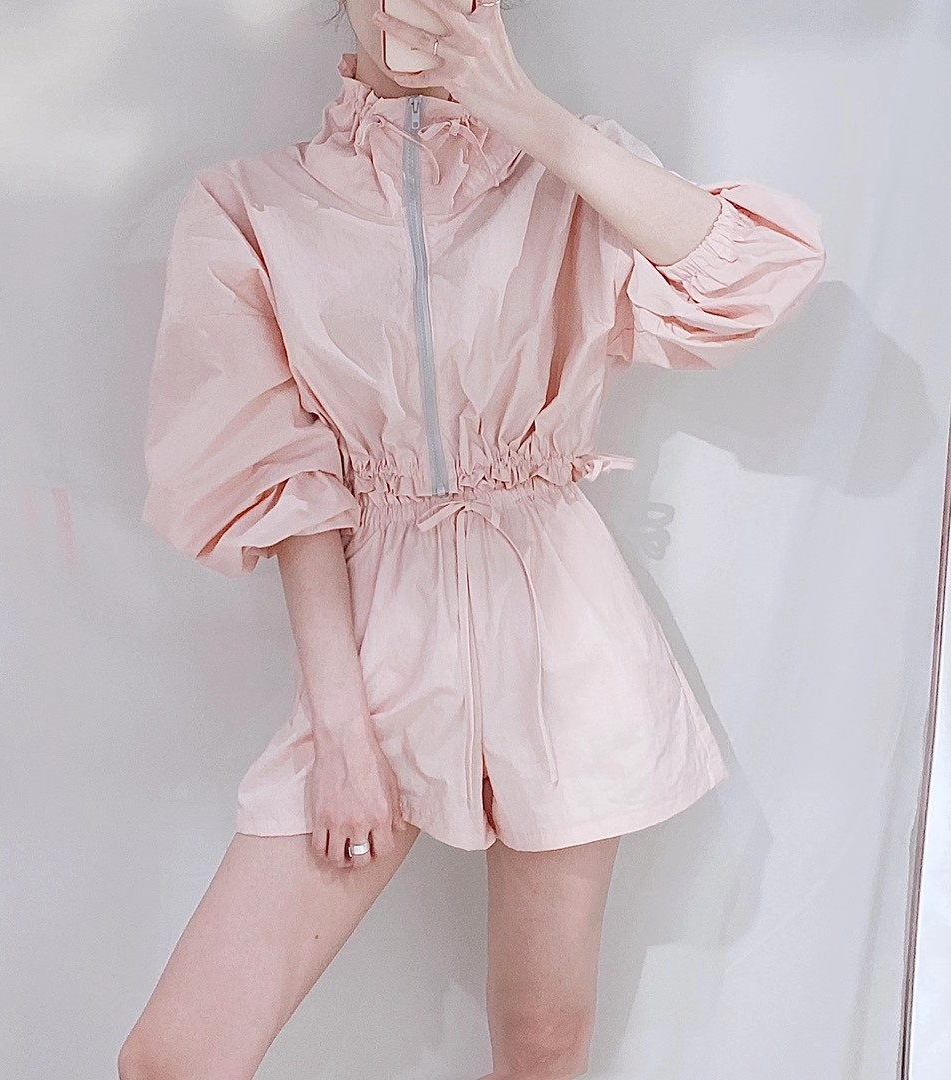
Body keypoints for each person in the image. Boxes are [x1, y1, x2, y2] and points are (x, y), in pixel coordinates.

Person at [120, 1, 827, 1077]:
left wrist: (532, 119)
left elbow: (754, 279)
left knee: (543, 1044)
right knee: (177, 1059)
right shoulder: (250, 206)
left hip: (562, 633)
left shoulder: (567, 170)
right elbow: (284, 481)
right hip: (375, 645)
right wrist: (341, 729)